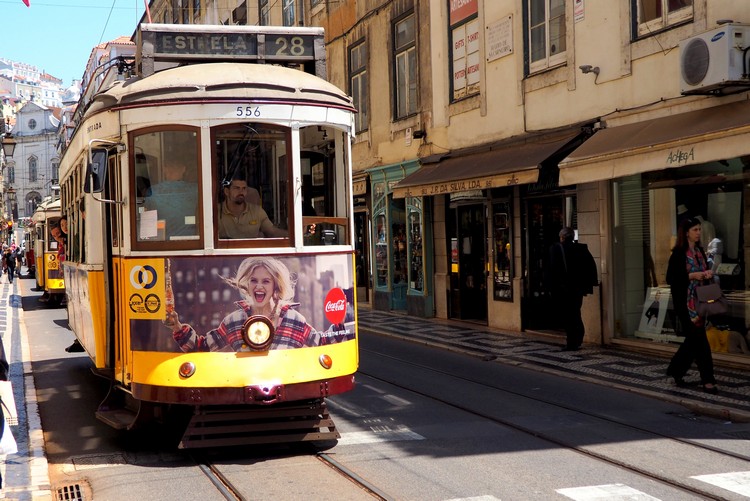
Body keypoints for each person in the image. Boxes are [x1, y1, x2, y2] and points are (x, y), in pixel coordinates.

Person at [165, 256, 346, 351]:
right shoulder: (233, 321)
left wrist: (340, 321)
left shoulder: (294, 320)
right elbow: (201, 347)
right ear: (247, 285)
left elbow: (321, 342)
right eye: (254, 281)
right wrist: (177, 327)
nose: (259, 286)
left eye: (266, 281)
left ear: (275, 286)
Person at [666, 217, 718, 394]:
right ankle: (708, 381)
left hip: (700, 301)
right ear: (686, 232)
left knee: (693, 341)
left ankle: (676, 370)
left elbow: (703, 271)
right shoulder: (679, 254)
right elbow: (671, 279)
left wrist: (707, 273)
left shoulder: (699, 251)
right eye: (695, 229)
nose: (698, 233)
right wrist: (691, 276)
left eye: (699, 229)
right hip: (686, 305)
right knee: (700, 341)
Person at [546, 227, 599, 351]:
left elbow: (552, 270)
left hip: (563, 290)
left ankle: (572, 342)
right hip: (578, 289)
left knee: (568, 315)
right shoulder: (582, 249)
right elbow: (591, 267)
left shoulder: (556, 249)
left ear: (562, 237)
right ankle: (577, 338)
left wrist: (550, 288)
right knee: (575, 312)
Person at [144, 160, 198, 238]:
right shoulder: (196, 190)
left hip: (163, 244)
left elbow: (147, 225)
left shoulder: (152, 191)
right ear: (184, 169)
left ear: (164, 169)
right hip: (191, 242)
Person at [218, 178, 287, 239]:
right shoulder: (215, 212)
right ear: (226, 191)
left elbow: (272, 232)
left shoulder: (257, 211)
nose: (241, 192)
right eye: (237, 188)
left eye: (244, 188)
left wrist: (294, 237)